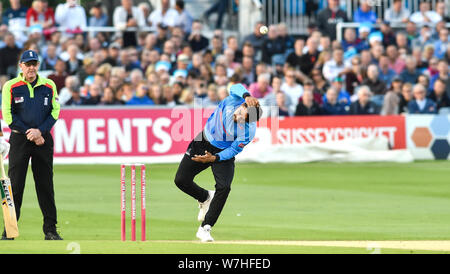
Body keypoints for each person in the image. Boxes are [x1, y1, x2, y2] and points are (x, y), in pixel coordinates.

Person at [174, 83, 262, 242]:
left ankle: (205, 228)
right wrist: (247, 95)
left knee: (224, 187)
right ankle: (204, 197)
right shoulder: (232, 102)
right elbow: (235, 86)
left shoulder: (249, 130)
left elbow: (234, 149)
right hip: (202, 141)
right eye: (241, 113)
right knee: (180, 180)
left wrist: (215, 158)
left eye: (244, 120)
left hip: (222, 153)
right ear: (241, 105)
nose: (239, 118)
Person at [1, 50, 62, 240]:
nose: (31, 68)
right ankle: (9, 231)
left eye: (34, 64)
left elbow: (55, 111)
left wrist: (40, 132)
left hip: (43, 139)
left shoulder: (49, 85)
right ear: (21, 66)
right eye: (28, 64)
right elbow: (9, 116)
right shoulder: (11, 86)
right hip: (20, 140)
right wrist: (31, 134)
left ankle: (50, 230)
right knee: (15, 186)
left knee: (45, 185)